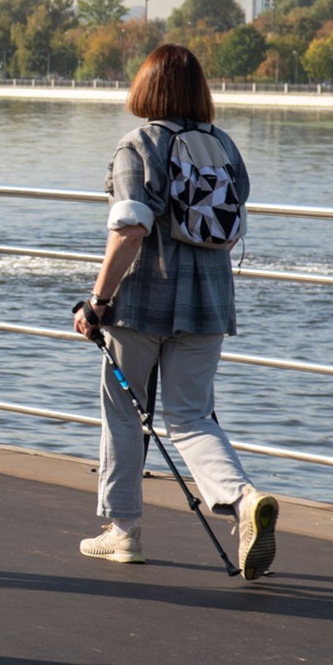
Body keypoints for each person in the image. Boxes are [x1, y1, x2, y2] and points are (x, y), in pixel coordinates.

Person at [72, 43, 279, 580]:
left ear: (147, 88)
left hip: (140, 303)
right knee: (191, 417)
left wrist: (98, 302)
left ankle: (123, 531)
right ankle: (242, 501)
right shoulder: (224, 146)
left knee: (123, 413)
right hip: (209, 302)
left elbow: (130, 230)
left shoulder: (139, 145)